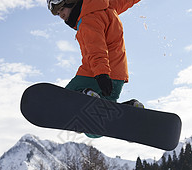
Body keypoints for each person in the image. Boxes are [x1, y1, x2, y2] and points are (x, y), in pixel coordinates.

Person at [47, 0, 143, 138]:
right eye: (57, 13)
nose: (60, 15)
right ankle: (130, 108)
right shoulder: (107, 6)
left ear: (71, 2)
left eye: (61, 9)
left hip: (96, 74)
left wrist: (101, 74)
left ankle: (86, 94)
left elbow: (96, 49)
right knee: (95, 130)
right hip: (117, 78)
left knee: (65, 100)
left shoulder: (87, 19)